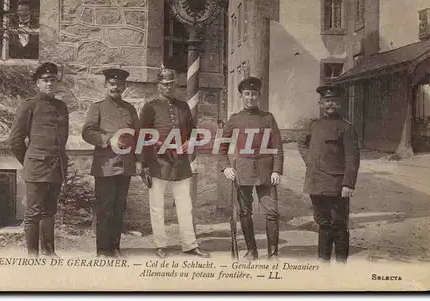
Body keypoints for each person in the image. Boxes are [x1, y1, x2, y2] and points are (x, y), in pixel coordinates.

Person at [139, 66, 210, 259]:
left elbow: (193, 130)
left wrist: (190, 142)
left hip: (180, 163)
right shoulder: (150, 106)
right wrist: (143, 164)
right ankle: (160, 244)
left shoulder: (183, 106)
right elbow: (141, 136)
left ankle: (190, 244)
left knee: (185, 205)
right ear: (158, 85)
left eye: (171, 84)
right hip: (157, 162)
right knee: (157, 206)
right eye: (164, 84)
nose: (168, 87)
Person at [220, 76, 284, 260]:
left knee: (272, 212)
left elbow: (278, 147)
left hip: (266, 172)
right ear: (241, 96)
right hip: (242, 173)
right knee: (245, 212)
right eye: (247, 94)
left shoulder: (268, 118)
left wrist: (277, 170)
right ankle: (251, 251)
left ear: (259, 96)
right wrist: (226, 168)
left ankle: (273, 254)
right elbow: (222, 149)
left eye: (254, 94)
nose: (251, 98)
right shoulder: (234, 120)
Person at [9, 62, 69, 257]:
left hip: (56, 167)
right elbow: (16, 140)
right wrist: (29, 161)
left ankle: (50, 252)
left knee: (49, 211)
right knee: (33, 213)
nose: (49, 84)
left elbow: (63, 138)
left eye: (53, 80)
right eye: (45, 80)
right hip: (36, 166)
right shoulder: (29, 106)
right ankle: (32, 256)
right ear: (37, 83)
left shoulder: (61, 107)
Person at [297, 84, 360, 263]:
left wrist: (348, 183)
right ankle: (323, 260)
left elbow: (352, 158)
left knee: (339, 224)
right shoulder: (314, 125)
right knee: (322, 222)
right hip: (316, 182)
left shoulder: (346, 127)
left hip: (337, 184)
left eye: (333, 101)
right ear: (321, 103)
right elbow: (301, 143)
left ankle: (341, 262)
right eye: (327, 101)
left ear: (339, 103)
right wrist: (310, 162)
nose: (330, 104)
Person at [82, 68, 140, 258]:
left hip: (125, 166)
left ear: (124, 87)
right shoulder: (96, 107)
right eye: (112, 84)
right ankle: (102, 250)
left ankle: (115, 247)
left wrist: (139, 161)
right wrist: (108, 140)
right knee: (105, 207)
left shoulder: (130, 109)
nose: (115, 87)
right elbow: (88, 132)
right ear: (106, 85)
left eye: (119, 85)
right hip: (105, 165)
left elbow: (138, 137)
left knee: (118, 207)